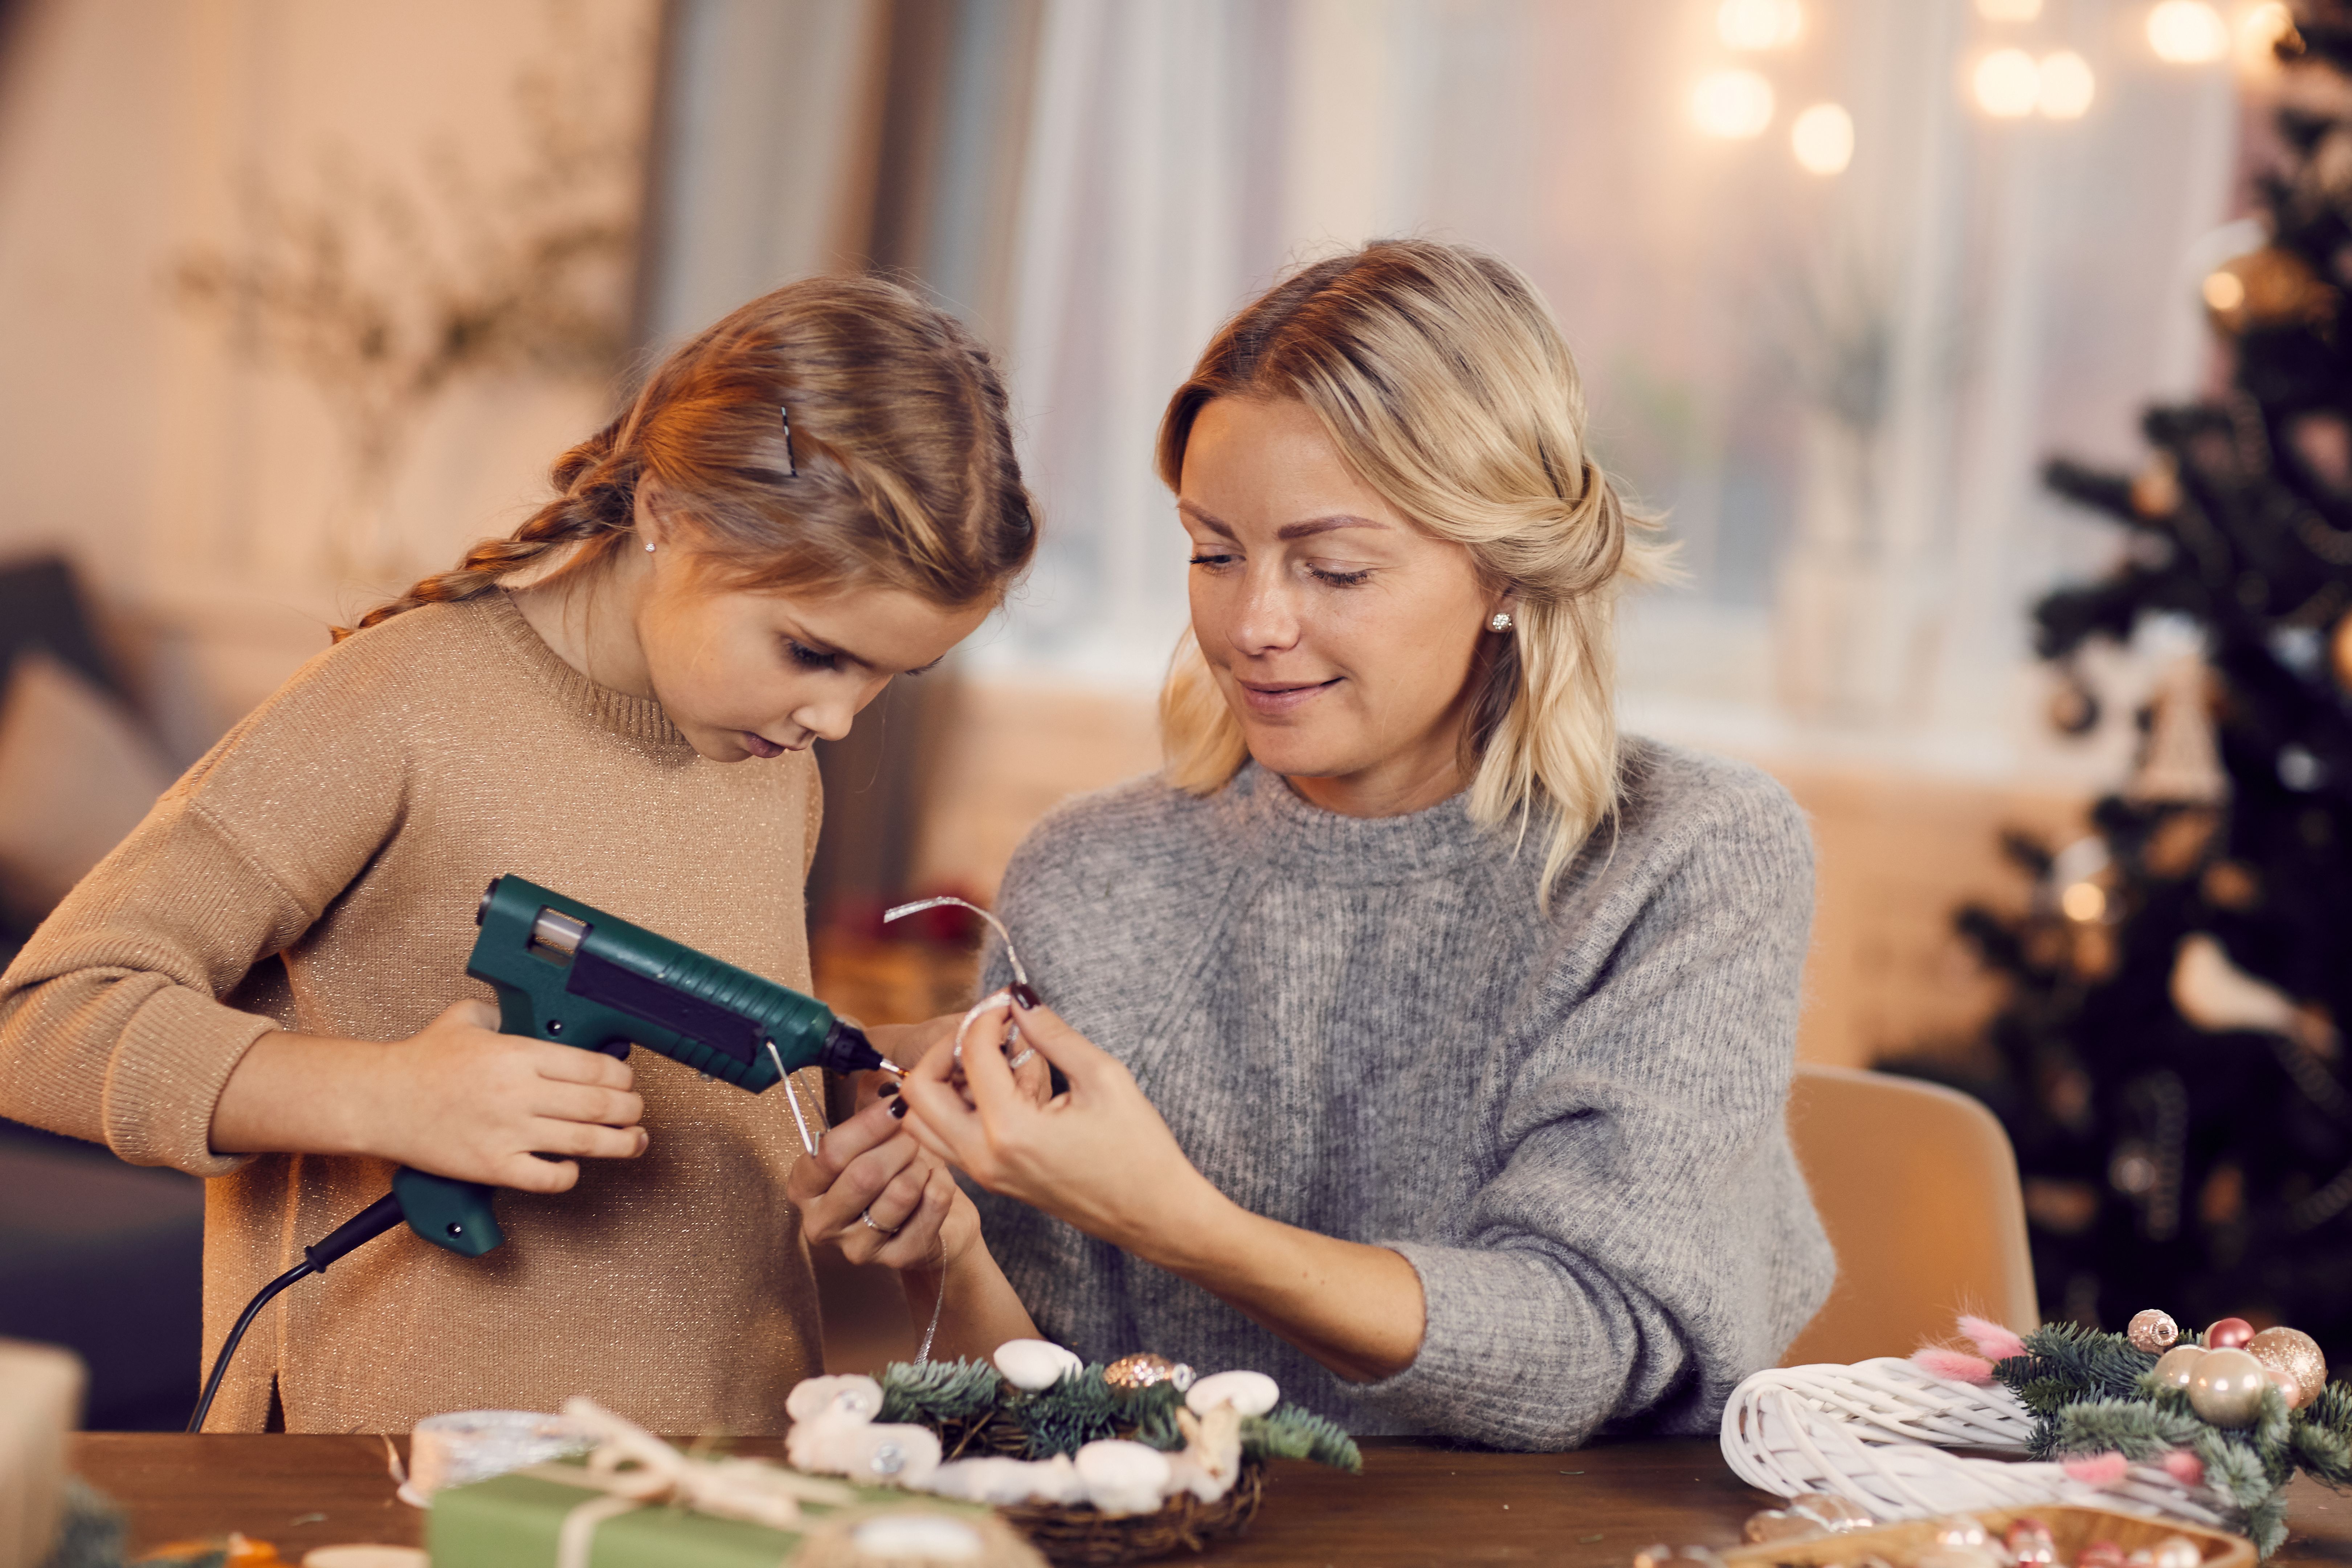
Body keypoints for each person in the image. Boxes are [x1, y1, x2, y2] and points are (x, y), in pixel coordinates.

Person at [795, 240, 1835, 1451]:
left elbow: (1590, 1345)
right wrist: (950, 1244)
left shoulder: (1688, 857)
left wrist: (1176, 1218)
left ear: (1505, 564)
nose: (1253, 626)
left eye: (1333, 566)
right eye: (1213, 552)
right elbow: (1057, 1416)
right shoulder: (1095, 876)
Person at [0, 276, 1035, 1433]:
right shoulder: (395, 706)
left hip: (720, 1461)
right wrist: (386, 1096)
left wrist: (871, 1076)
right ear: (674, 514)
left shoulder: (767, 756)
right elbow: (45, 1015)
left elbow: (704, 1049)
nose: (841, 720)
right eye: (811, 651)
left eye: (890, 674)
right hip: (403, 1475)